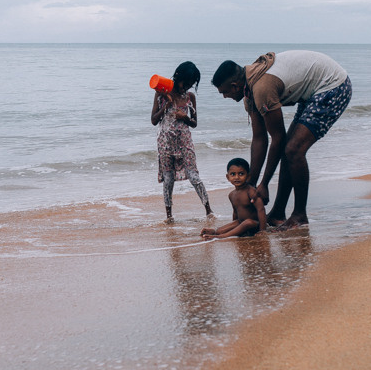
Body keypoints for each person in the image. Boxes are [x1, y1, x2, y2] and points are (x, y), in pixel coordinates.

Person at [212, 51, 352, 229]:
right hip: (311, 92)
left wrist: (264, 183)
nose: (225, 97)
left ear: (234, 86)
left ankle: (300, 215)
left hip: (334, 85)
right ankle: (278, 213)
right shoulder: (249, 93)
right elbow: (259, 139)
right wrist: (251, 184)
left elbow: (278, 138)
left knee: (293, 149)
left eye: (224, 92)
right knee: (288, 149)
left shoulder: (262, 88)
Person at [151, 61, 213, 221]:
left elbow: (194, 123)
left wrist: (185, 117)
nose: (187, 87)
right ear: (178, 77)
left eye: (191, 85)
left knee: (194, 176)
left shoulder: (190, 97)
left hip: (185, 141)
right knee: (168, 179)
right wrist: (166, 106)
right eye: (186, 83)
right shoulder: (161, 94)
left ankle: (209, 211)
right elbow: (153, 120)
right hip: (165, 142)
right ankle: (169, 216)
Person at [200, 158, 266, 240]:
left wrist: (262, 230)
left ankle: (221, 236)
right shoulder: (231, 195)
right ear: (228, 177)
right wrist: (233, 228)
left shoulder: (251, 191)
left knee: (248, 222)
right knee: (221, 230)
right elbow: (235, 212)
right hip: (241, 222)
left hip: (254, 224)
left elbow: (261, 209)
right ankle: (216, 232)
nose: (237, 177)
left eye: (241, 174)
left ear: (248, 176)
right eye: (233, 174)